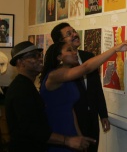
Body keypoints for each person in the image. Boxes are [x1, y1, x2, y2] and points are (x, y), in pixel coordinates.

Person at [5, 41, 95, 152]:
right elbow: (33, 130)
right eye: (33, 56)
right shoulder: (21, 90)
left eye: (39, 55)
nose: (39, 59)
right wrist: (67, 140)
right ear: (20, 62)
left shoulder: (26, 85)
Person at [50, 22, 120, 151]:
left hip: (92, 119)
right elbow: (85, 68)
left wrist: (103, 114)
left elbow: (96, 88)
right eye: (69, 34)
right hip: (72, 121)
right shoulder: (58, 70)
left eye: (74, 31)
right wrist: (115, 48)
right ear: (60, 42)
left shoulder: (88, 57)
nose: (75, 35)